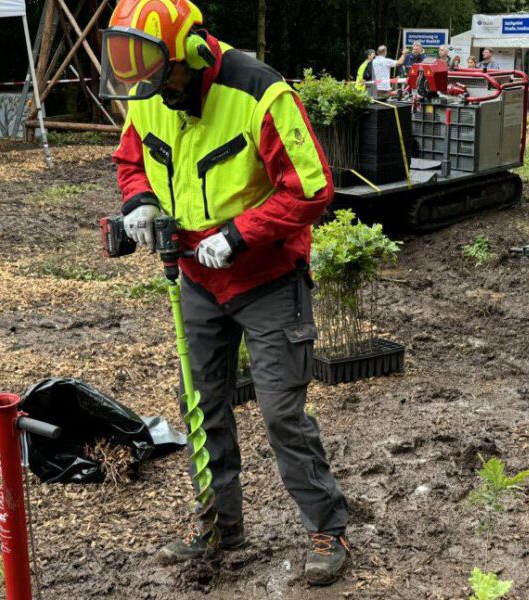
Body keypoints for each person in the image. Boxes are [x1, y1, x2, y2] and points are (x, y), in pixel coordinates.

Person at [100, 0, 350, 585]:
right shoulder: (151, 96)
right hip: (193, 277)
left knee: (281, 412)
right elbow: (131, 160)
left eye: (164, 80)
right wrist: (138, 204)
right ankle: (219, 522)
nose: (158, 94)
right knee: (204, 405)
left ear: (188, 52)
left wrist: (240, 235)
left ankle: (327, 526)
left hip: (266, 279)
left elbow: (312, 188)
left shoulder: (260, 93)